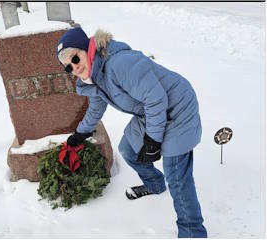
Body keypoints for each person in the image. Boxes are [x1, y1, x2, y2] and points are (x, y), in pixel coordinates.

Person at [56, 27, 207, 238]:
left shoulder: (119, 64)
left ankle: (192, 231)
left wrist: (153, 141)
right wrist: (81, 133)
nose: (74, 67)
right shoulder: (95, 78)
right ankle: (155, 184)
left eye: (75, 58)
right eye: (68, 68)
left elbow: (156, 99)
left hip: (177, 108)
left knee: (177, 176)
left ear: (87, 48)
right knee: (128, 150)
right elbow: (96, 107)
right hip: (151, 112)